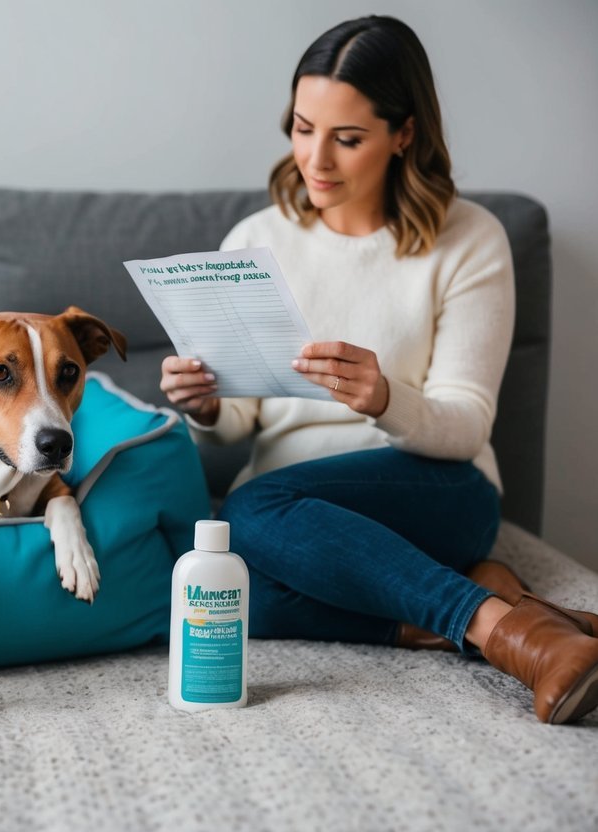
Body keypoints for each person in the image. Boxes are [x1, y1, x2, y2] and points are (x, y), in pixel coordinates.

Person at [159, 15, 598, 724]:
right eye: (301, 128)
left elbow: (463, 427)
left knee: (248, 513)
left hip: (432, 487)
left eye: (347, 138)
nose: (315, 160)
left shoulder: (471, 240)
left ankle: (496, 630)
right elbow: (238, 418)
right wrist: (206, 406)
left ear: (404, 134)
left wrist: (386, 398)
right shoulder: (256, 239)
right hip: (298, 516)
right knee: (203, 581)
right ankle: (508, 614)